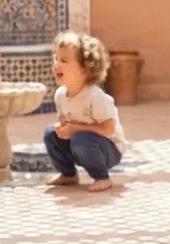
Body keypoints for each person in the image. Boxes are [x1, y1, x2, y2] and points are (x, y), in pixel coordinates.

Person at [44, 31, 129, 193]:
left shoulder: (95, 97)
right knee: (50, 133)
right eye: (56, 59)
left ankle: (102, 177)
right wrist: (63, 128)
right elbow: (66, 123)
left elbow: (108, 129)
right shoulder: (60, 95)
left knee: (81, 138)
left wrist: (75, 129)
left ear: (85, 69)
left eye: (64, 61)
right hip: (82, 143)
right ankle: (68, 174)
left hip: (109, 149)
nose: (56, 65)